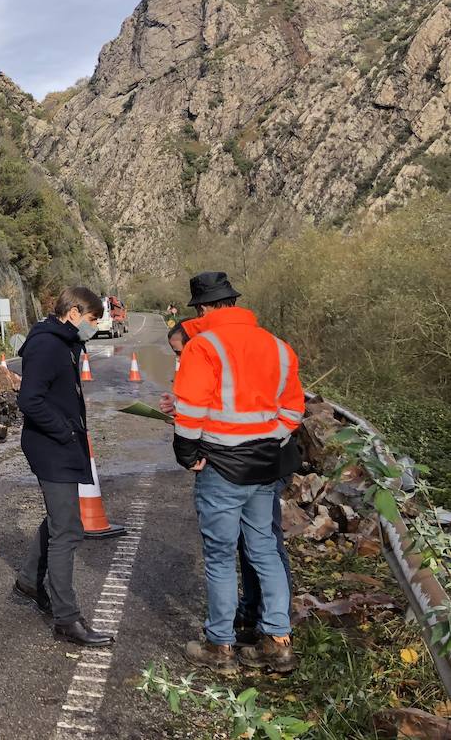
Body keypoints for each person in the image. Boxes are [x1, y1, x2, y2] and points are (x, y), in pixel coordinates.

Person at [173, 272, 304, 676]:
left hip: (221, 469)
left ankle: (220, 644)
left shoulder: (204, 347)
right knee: (264, 549)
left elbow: (191, 409)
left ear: (202, 309)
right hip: (264, 468)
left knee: (219, 557)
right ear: (234, 304)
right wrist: (265, 442)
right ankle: (278, 641)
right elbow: (293, 412)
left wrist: (188, 452)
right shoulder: (279, 348)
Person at [13, 286, 113, 648]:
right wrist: (66, 430)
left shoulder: (63, 341)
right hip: (52, 446)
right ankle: (66, 618)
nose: (94, 327)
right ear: (72, 313)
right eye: (91, 320)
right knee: (69, 530)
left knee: (61, 518)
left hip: (61, 444)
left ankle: (27, 579)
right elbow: (30, 400)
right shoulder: (48, 345)